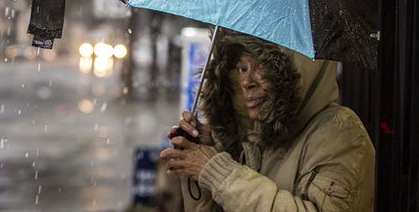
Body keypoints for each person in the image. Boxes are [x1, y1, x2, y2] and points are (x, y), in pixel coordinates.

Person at [159, 32, 375, 211]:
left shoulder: (340, 132)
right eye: (241, 69)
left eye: (261, 66)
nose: (246, 82)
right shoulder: (255, 138)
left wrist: (219, 174)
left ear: (295, 72)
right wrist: (206, 156)